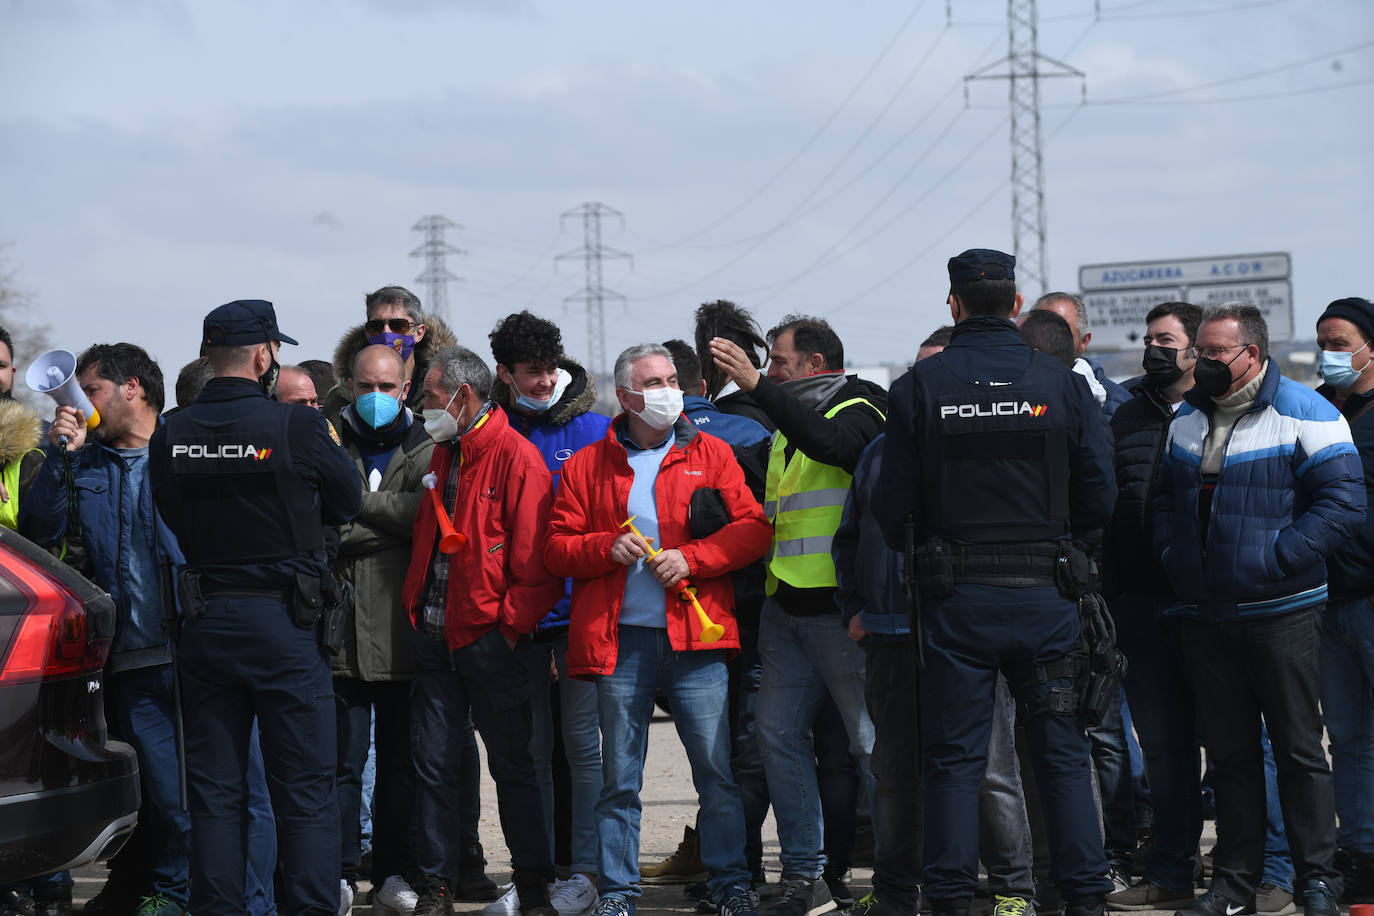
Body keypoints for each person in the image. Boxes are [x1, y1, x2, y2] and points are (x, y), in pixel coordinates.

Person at [875, 249, 1116, 916]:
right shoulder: (1061, 380)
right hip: (1047, 597)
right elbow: (1100, 493)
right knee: (1061, 753)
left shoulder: (917, 388)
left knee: (953, 759)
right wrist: (1067, 552)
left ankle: (951, 900)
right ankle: (1087, 897)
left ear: (952, 305)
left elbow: (891, 505)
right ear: (1015, 305)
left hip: (956, 601)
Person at [148, 299, 362, 916]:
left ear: (209, 354)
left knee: (215, 796)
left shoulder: (174, 431)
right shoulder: (295, 426)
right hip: (286, 626)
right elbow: (347, 501)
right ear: (266, 354)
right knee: (306, 794)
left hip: (207, 623)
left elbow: (169, 509)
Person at [544, 342, 772, 916]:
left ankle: (729, 884)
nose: (669, 390)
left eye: (672, 378)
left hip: (697, 640)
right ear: (624, 396)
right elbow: (555, 548)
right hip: (621, 643)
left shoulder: (713, 453)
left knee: (716, 774)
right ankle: (619, 892)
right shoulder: (585, 465)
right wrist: (604, 546)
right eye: (654, 382)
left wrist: (693, 558)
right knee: (620, 778)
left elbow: (753, 530)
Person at [1153, 303, 1363, 916]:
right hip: (1208, 613)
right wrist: (1175, 556)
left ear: (1253, 353)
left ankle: (1317, 880)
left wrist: (1276, 559)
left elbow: (1343, 506)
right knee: (1232, 756)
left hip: (1284, 611)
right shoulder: (1186, 419)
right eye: (1202, 352)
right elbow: (1164, 500)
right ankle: (1233, 887)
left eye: (1217, 353)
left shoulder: (1306, 410)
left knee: (1300, 752)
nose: (1205, 363)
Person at [710, 315, 887, 916]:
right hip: (787, 611)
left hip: (843, 615)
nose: (770, 371)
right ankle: (805, 879)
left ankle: (898, 878)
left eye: (779, 362)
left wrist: (761, 389)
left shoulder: (864, 403)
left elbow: (836, 448)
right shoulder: (788, 422)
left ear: (814, 364)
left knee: (870, 746)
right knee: (776, 740)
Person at [21, 344, 196, 916]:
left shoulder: (183, 449)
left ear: (133, 388)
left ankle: (211, 891)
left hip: (194, 650)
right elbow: (36, 528)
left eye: (90, 390)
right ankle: (171, 893)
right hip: (129, 658)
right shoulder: (84, 461)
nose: (80, 403)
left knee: (210, 786)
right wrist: (60, 458)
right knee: (163, 793)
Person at [400, 345, 562, 916]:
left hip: (493, 643)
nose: (426, 408)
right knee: (434, 768)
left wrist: (509, 630)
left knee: (513, 768)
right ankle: (437, 887)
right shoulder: (444, 454)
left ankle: (534, 886)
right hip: (437, 639)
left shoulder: (516, 458)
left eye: (432, 397)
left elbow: (538, 565)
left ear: (463, 397)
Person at [488, 310, 608, 916]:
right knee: (529, 754)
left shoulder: (595, 429)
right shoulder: (490, 431)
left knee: (585, 753)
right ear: (504, 374)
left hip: (579, 619)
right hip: (515, 623)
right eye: (531, 372)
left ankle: (585, 870)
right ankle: (534, 875)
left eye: (550, 369)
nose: (543, 380)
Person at [1102, 302, 1206, 913]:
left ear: (1196, 350)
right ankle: (1170, 871)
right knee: (1164, 752)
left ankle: (1265, 872)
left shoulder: (1219, 410)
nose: (1153, 350)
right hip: (1139, 605)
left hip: (1208, 605)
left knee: (1239, 748)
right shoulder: (1127, 412)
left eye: (1165, 340)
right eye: (1148, 339)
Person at [332, 345, 436, 914]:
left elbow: (426, 521)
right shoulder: (327, 441)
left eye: (388, 386)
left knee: (401, 765)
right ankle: (343, 872)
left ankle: (394, 870)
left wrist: (356, 507)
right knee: (342, 765)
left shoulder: (427, 444)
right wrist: (394, 517)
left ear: (405, 387)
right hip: (341, 637)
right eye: (367, 385)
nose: (377, 397)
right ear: (350, 385)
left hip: (404, 634)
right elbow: (322, 525)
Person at [1311, 296, 1374, 903]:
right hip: (1331, 603)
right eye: (1323, 342)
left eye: (1340, 343)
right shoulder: (1325, 412)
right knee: (1349, 739)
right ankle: (1362, 856)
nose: (1330, 353)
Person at [1031, 292, 1129, 416]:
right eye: (1037, 330)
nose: (1046, 340)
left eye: (1060, 333)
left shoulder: (1116, 405)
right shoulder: (1008, 391)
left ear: (1083, 341)